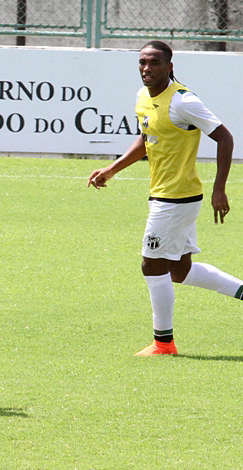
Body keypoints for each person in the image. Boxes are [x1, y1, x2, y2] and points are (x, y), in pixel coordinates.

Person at [88, 41, 238, 356]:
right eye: (142, 62)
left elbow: (224, 136)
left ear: (169, 66)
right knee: (179, 271)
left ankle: (164, 343)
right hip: (165, 195)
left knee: (152, 265)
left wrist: (219, 187)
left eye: (154, 63)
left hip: (176, 199)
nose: (146, 68)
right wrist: (112, 169)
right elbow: (147, 139)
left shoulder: (183, 101)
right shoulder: (143, 97)